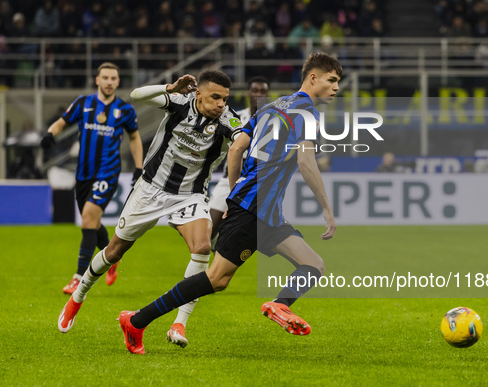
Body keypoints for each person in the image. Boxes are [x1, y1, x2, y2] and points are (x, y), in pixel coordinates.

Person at [118, 52, 342, 354]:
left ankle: (279, 305)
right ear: (313, 78)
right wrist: (327, 208)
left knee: (313, 264)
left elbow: (237, 147)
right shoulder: (307, 113)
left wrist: (236, 188)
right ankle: (137, 320)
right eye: (332, 80)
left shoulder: (272, 106)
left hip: (263, 211)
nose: (336, 87)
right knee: (216, 278)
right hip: (254, 211)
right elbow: (305, 160)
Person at [58, 71, 244, 349]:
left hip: (189, 195)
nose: (220, 104)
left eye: (225, 99)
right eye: (215, 97)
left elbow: (240, 140)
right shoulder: (180, 101)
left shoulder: (229, 119)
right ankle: (78, 296)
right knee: (114, 251)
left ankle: (179, 322)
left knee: (203, 247)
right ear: (199, 94)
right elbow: (136, 96)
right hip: (150, 189)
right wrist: (169, 87)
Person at [41, 62, 143, 294]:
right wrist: (50, 134)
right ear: (97, 80)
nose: (109, 82)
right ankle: (112, 256)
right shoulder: (82, 103)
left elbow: (135, 138)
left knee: (87, 218)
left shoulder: (125, 110)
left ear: (118, 82)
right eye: (105, 77)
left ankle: (78, 277)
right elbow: (62, 122)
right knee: (93, 223)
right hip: (83, 174)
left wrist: (138, 167)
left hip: (107, 171)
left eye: (113, 78)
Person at [208, 76, 270, 244]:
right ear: (248, 93)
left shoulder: (272, 123)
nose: (258, 94)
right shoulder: (235, 118)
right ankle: (214, 247)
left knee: (245, 235)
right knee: (208, 229)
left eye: (263, 91)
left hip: (253, 183)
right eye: (255, 90)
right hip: (229, 179)